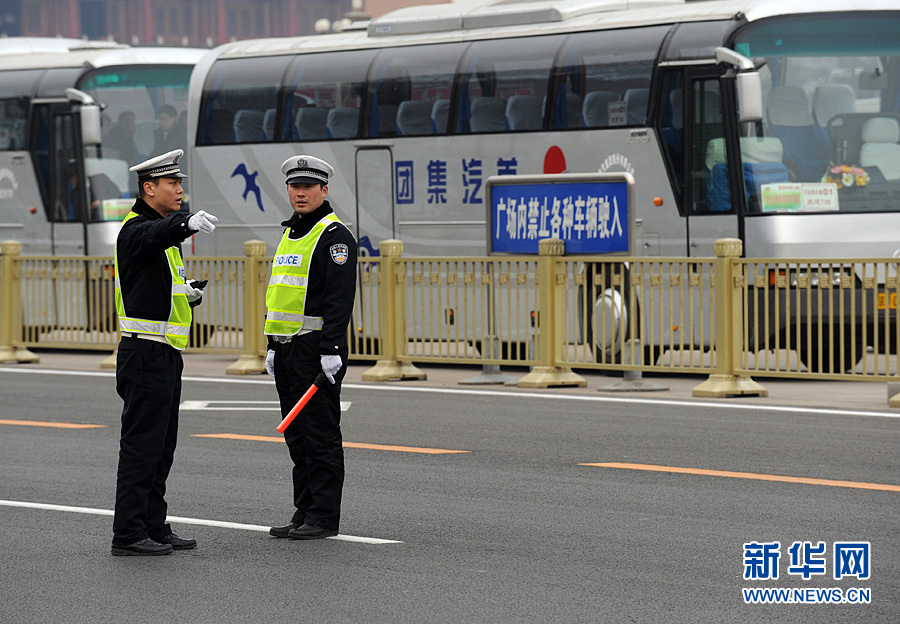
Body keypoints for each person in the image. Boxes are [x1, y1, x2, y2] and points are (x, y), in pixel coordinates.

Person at [111, 148, 219, 556]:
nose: (178, 190)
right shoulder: (137, 228)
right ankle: (127, 533)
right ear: (149, 187)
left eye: (179, 184)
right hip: (144, 355)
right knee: (142, 446)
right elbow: (153, 236)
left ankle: (154, 524)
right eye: (172, 184)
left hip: (166, 352)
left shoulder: (160, 234)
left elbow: (154, 288)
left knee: (162, 446)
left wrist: (186, 296)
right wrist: (185, 224)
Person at [265, 155, 357, 540]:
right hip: (287, 351)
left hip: (316, 351)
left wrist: (332, 349)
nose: (300, 193)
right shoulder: (291, 233)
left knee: (320, 435)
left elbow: (339, 299)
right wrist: (271, 345)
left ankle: (323, 516)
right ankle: (304, 510)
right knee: (297, 436)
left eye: (308, 187)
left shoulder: (335, 238)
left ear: (324, 190)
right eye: (294, 186)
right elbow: (281, 296)